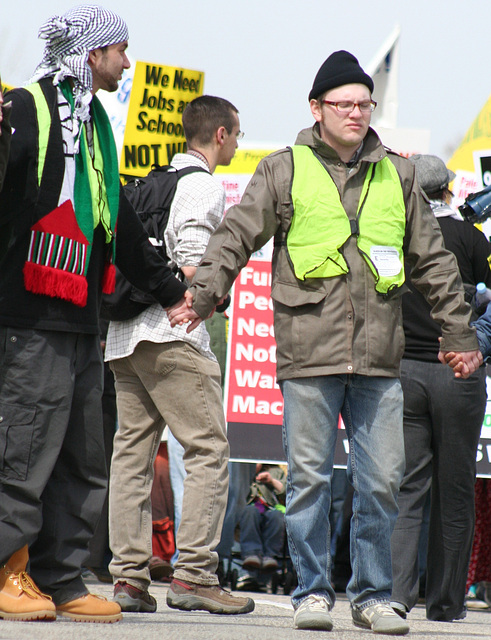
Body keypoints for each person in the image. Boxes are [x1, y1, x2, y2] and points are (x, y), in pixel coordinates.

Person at [167, 50, 482, 635]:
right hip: (309, 354)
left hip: (380, 358)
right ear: (317, 109)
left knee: (383, 480)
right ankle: (312, 592)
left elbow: (435, 262)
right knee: (309, 479)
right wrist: (204, 293)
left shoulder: (400, 173)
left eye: (364, 104)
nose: (356, 114)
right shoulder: (283, 169)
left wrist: (459, 333)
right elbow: (237, 234)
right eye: (344, 104)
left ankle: (373, 596)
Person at [0, 5, 188, 623]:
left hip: (84, 321)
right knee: (24, 451)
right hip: (29, 319)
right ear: (90, 54)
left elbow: (122, 223)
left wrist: (167, 288)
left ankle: (60, 579)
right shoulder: (24, 109)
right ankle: (7, 570)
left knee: (82, 455)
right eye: (120, 51)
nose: (127, 63)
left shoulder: (97, 124)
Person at [105, 95, 254, 616]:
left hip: (123, 336)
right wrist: (219, 295)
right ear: (219, 136)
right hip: (173, 333)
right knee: (210, 450)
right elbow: (192, 261)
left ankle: (128, 578)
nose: (236, 142)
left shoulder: (152, 180)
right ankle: (193, 574)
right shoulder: (203, 185)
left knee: (131, 457)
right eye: (236, 134)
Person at [389, 154, 491, 622]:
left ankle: (396, 596)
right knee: (454, 491)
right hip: (460, 373)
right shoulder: (472, 238)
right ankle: (447, 603)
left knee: (407, 489)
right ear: (448, 190)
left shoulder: (396, 230)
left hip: (404, 373)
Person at [240, 464, 286, 573]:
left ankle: (270, 555)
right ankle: (251, 553)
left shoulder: (276, 471)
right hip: (250, 507)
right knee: (250, 512)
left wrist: (272, 481)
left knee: (277, 516)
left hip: (269, 507)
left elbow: (287, 491)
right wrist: (251, 470)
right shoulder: (241, 469)